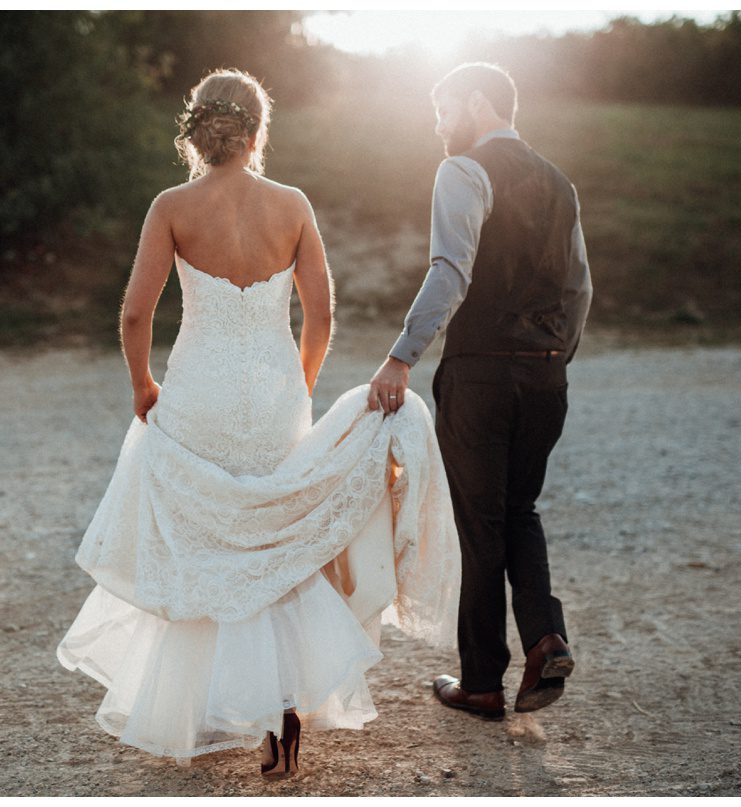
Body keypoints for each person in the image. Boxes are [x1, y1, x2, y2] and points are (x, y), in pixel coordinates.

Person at [56, 68, 461, 776]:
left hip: (198, 395)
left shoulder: (171, 206)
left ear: (197, 132)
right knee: (275, 544)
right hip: (274, 397)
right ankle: (282, 705)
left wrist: (143, 384)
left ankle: (215, 706)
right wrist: (299, 384)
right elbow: (321, 313)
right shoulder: (292, 204)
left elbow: (135, 313)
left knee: (208, 547)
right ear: (257, 131)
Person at [368, 62, 593, 719]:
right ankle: (546, 637)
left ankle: (483, 683)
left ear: (475, 101)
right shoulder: (560, 183)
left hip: (482, 374)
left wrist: (400, 357)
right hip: (546, 372)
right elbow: (580, 286)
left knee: (479, 524)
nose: (440, 126)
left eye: (443, 110)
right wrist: (553, 358)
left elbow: (451, 270)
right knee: (520, 510)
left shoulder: (463, 169)